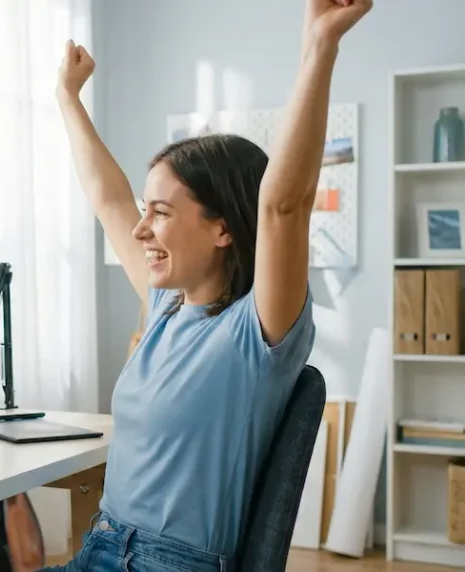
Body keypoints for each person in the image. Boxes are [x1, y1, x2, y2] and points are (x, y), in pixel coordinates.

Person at [45, 1, 371, 570]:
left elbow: (284, 206)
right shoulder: (166, 306)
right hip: (101, 545)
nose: (142, 228)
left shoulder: (258, 333)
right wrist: (67, 98)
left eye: (163, 213)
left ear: (222, 227)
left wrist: (320, 47)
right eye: (147, 212)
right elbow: (108, 198)